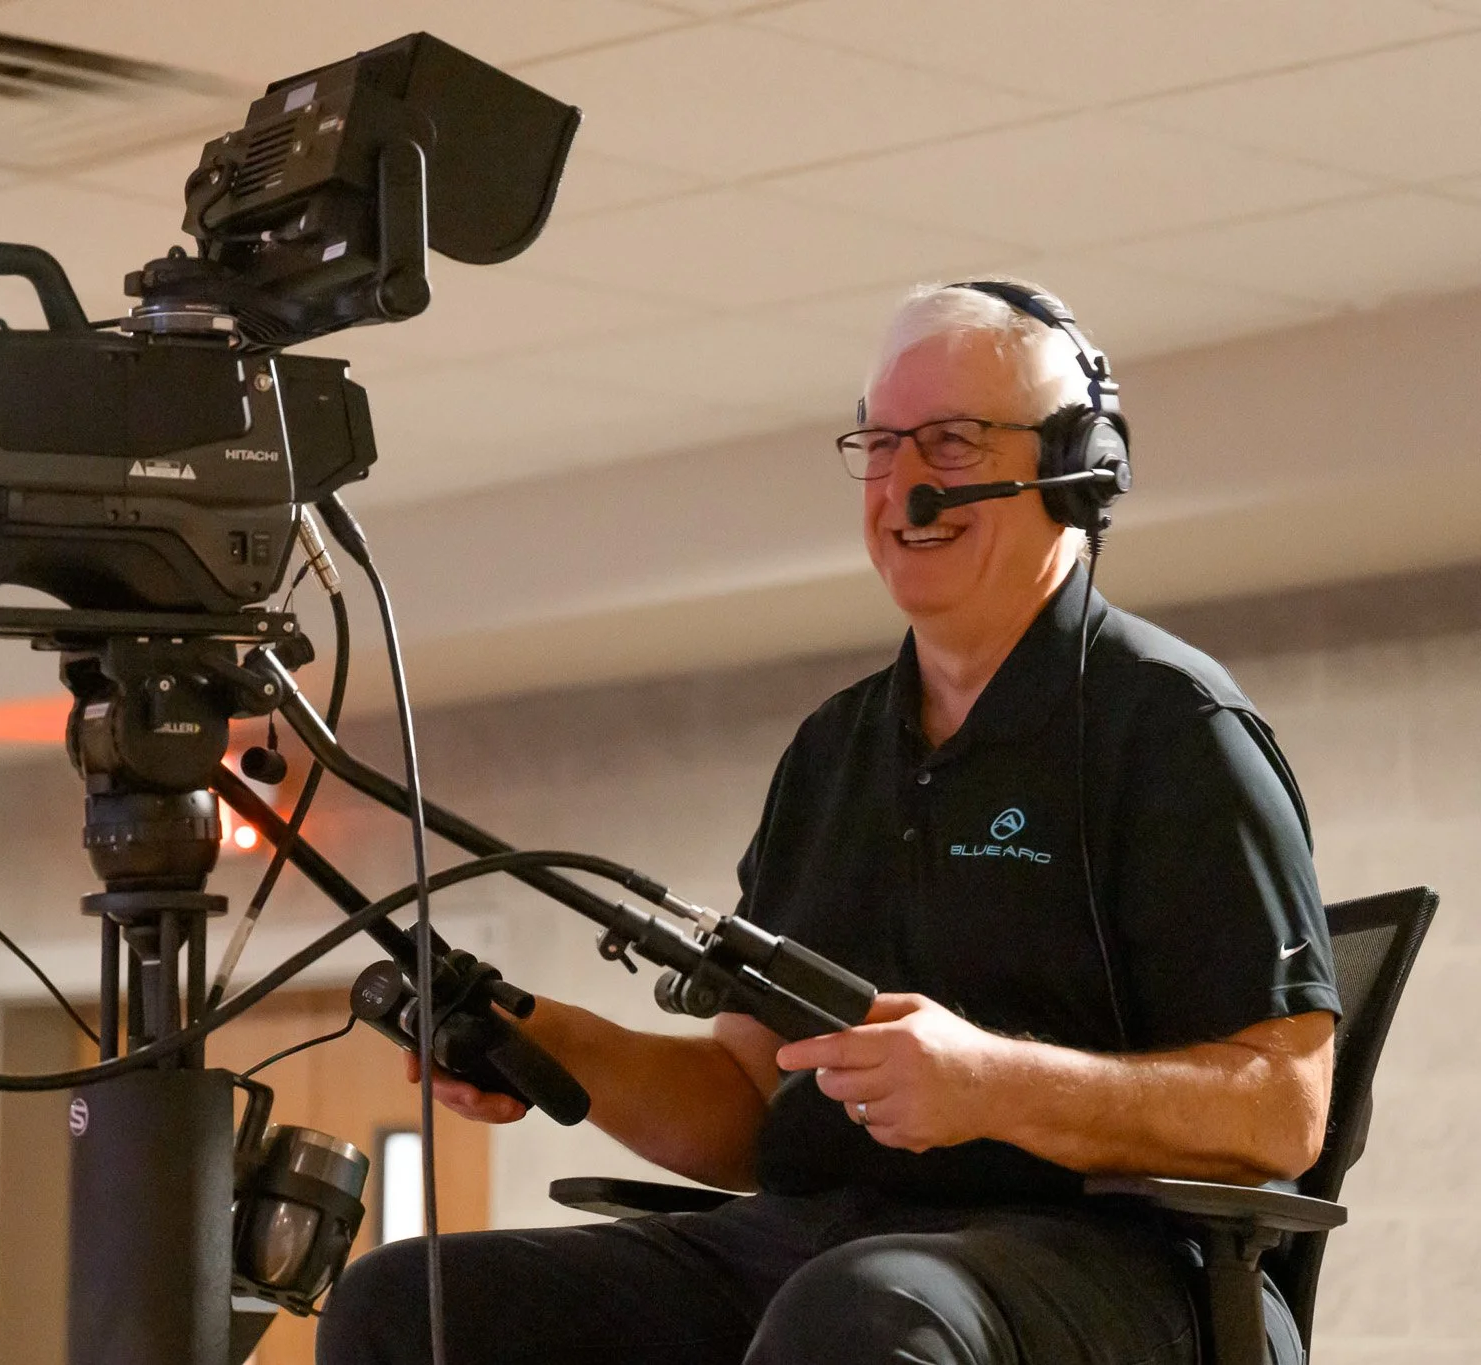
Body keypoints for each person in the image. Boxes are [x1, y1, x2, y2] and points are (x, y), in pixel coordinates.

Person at [315, 280, 1341, 1365]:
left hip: (1116, 1259)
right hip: (824, 1243)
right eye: (880, 444)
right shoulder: (831, 751)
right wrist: (543, 1040)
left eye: (946, 443)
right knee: (411, 1303)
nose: (902, 485)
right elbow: (753, 1101)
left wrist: (990, 1082)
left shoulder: (1173, 726)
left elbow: (1278, 1111)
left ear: (1071, 467)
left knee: (864, 1310)